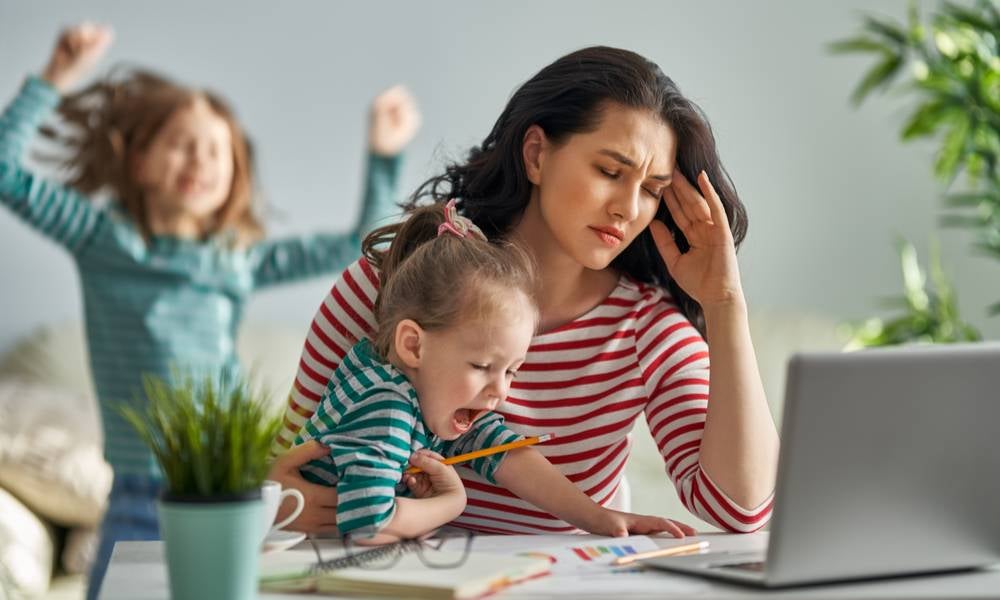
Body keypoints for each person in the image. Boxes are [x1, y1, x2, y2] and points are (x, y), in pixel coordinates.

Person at [269, 45, 779, 536]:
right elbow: (279, 462)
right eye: (609, 171)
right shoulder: (393, 282)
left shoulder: (646, 329)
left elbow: (740, 510)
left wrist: (725, 304)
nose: (628, 208)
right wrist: (279, 503)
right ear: (536, 155)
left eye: (651, 190)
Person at [0, 22, 419, 599]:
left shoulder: (234, 261)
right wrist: (55, 78)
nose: (200, 158)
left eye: (217, 149)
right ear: (140, 160)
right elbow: (6, 171)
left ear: (233, 176)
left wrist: (384, 153)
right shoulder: (101, 239)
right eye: (182, 142)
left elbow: (363, 242)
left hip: (233, 489)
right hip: (139, 496)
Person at [295, 201, 693, 541]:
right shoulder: (386, 407)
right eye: (483, 366)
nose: (500, 393)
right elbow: (368, 524)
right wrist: (451, 503)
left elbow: (504, 451)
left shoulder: (423, 391)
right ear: (413, 345)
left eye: (511, 372)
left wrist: (600, 517)